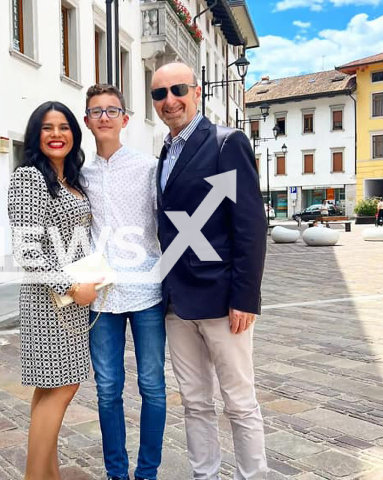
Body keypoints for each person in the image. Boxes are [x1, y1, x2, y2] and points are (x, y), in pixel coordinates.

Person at [151, 62, 268, 479]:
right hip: (177, 305)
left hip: (222, 302)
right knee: (195, 401)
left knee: (239, 400)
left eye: (177, 89)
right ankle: (205, 475)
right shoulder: (165, 153)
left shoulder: (225, 143)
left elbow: (251, 225)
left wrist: (244, 296)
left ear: (197, 92)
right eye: (159, 94)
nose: (169, 100)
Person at [8, 101, 100, 480]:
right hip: (49, 301)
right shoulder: (29, 177)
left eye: (64, 127)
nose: (57, 134)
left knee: (49, 390)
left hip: (73, 301)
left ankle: (49, 474)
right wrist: (71, 285)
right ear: (36, 134)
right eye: (48, 128)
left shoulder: (71, 180)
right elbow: (27, 250)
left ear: (74, 134)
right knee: (63, 386)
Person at [81, 84, 165, 480]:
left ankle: (146, 473)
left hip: (147, 290)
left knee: (152, 385)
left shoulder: (148, 167)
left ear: (125, 119)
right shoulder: (80, 176)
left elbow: (168, 224)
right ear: (86, 121)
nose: (104, 117)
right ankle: (117, 473)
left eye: (111, 111)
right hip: (102, 298)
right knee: (107, 390)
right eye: (96, 111)